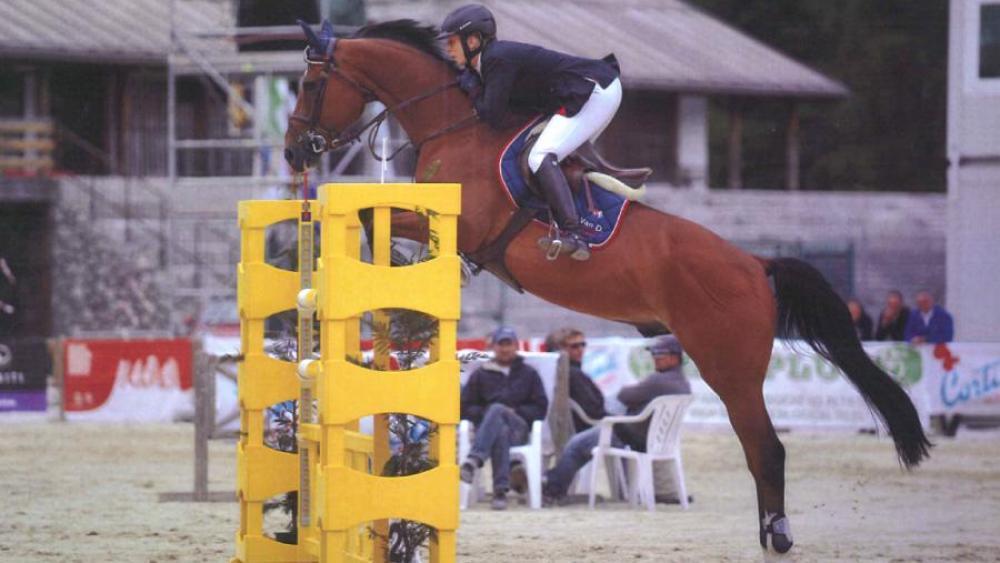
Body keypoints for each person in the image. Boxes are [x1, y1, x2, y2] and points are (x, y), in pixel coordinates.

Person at [437, 4, 623, 261]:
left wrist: (470, 84)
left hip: (594, 92)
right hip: (583, 92)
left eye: (452, 42)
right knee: (543, 154)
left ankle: (575, 234)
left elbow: (492, 115)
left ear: (473, 41)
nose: (448, 49)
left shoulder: (496, 59)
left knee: (540, 156)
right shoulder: (487, 63)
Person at [542, 334, 691, 504]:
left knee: (576, 444)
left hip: (629, 434)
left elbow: (625, 395)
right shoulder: (682, 383)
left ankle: (550, 488)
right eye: (654, 353)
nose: (655, 358)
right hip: (652, 438)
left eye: (660, 354)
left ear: (674, 357)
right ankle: (551, 481)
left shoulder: (659, 381)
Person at [460, 326, 548, 510]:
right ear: (494, 347)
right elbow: (465, 407)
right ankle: (500, 492)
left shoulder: (529, 374)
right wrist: (488, 414)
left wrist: (515, 411)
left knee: (498, 411)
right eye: (501, 344)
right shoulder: (481, 374)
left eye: (509, 344)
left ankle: (474, 460)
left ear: (516, 346)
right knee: (500, 428)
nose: (505, 349)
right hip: (490, 431)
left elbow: (540, 408)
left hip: (520, 428)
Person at [560, 328, 606, 431]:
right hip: (592, 427)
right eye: (574, 346)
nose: (580, 349)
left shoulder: (568, 370)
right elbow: (594, 410)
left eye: (583, 344)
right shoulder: (573, 374)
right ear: (563, 349)